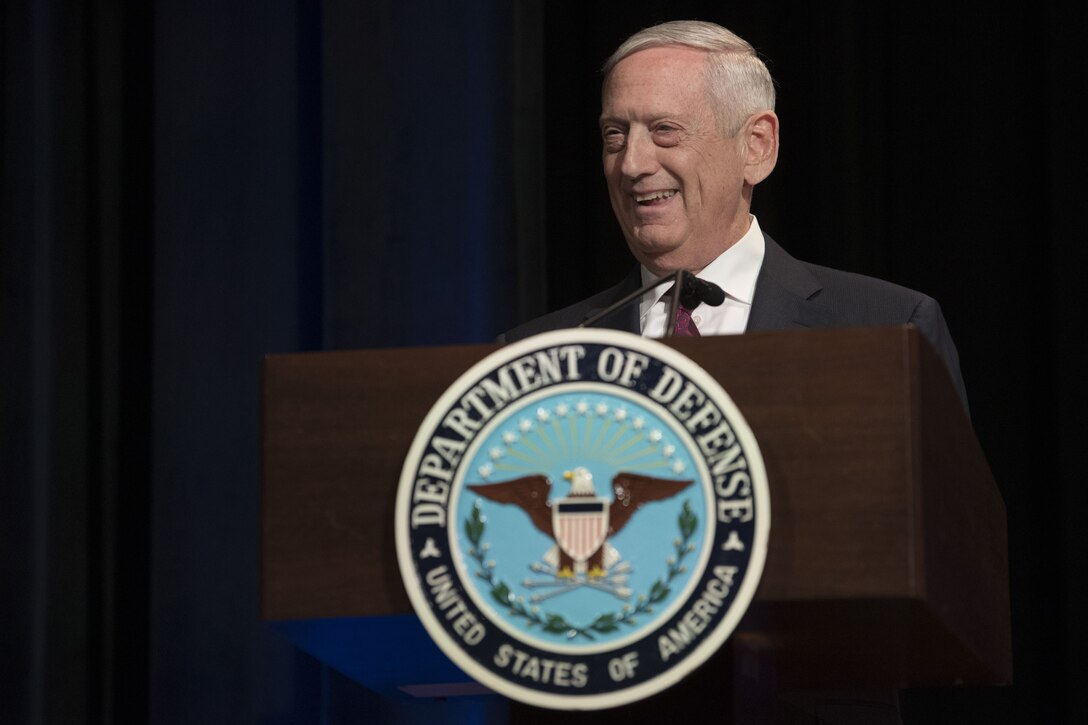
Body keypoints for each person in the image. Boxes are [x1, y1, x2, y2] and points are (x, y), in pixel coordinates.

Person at [500, 19, 968, 413]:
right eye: (615, 136)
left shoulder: (887, 330)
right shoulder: (537, 354)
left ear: (756, 147)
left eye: (665, 131)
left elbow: (954, 518)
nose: (632, 164)